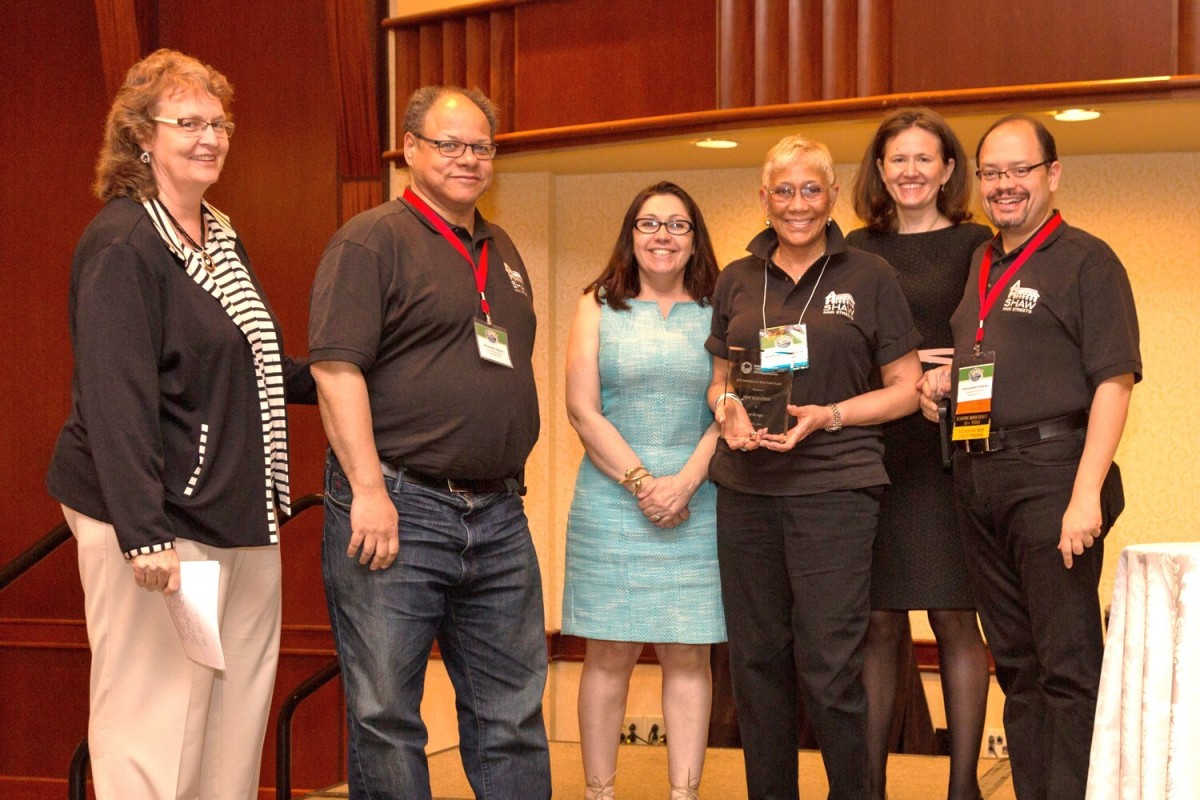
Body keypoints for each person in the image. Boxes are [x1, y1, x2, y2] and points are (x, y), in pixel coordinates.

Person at [44, 49, 315, 799]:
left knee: (232, 722)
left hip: (241, 516)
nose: (210, 137)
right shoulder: (126, 240)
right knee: (155, 724)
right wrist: (143, 530)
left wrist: (345, 373)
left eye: (219, 123)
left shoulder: (219, 232)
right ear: (142, 137)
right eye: (188, 122)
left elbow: (247, 365)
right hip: (164, 523)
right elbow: (115, 393)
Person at [308, 86, 550, 800]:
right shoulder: (370, 239)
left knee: (511, 714)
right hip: (399, 508)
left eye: (480, 146)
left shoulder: (499, 248)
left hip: (500, 515)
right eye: (449, 144)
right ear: (410, 148)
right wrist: (370, 492)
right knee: (387, 714)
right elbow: (334, 368)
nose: (467, 159)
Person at [920, 114, 1140, 800]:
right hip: (979, 476)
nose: (1005, 185)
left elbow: (1114, 380)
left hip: (1054, 479)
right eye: (992, 172)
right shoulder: (984, 260)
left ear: (1052, 174)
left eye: (1020, 170)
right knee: (1015, 662)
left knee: (1067, 665)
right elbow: (997, 358)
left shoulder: (1087, 260)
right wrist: (945, 385)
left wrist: (1085, 495)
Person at [705, 134, 923, 800]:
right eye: (783, 189)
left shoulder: (869, 275)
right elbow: (718, 381)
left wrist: (829, 415)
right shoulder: (736, 278)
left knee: (830, 666)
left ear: (831, 196)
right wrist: (727, 412)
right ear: (763, 196)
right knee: (757, 664)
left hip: (836, 489)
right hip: (746, 492)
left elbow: (907, 386)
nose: (797, 204)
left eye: (810, 189)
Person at [848, 107, 992, 800]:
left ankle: (962, 787)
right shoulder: (852, 248)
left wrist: (951, 373)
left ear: (946, 170)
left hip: (945, 448)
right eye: (896, 158)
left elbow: (995, 342)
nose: (909, 170)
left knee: (956, 617)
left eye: (923, 159)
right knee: (876, 622)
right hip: (873, 450)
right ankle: (868, 786)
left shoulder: (978, 245)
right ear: (880, 170)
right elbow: (836, 347)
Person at [563, 181, 725, 800]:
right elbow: (583, 410)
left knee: (689, 655)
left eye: (678, 225)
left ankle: (684, 795)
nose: (662, 235)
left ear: (695, 239)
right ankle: (599, 793)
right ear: (630, 235)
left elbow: (730, 406)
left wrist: (683, 483)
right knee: (609, 654)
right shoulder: (596, 305)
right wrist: (643, 485)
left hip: (700, 497)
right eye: (649, 223)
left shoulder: (721, 307)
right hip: (611, 503)